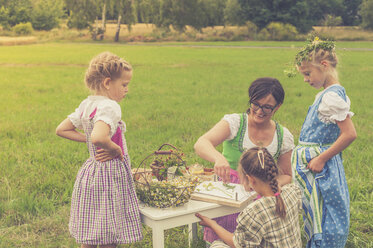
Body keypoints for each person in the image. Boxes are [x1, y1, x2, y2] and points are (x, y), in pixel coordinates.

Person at [56, 52, 143, 248]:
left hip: (92, 173)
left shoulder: (87, 105)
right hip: (109, 176)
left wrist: (90, 140)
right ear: (107, 83)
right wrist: (115, 149)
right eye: (124, 84)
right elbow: (98, 137)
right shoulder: (110, 107)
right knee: (108, 233)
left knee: (92, 230)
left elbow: (62, 129)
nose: (127, 89)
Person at [194, 77, 294, 245]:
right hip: (229, 194)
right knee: (225, 239)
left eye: (267, 107)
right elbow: (201, 143)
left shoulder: (283, 136)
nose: (259, 111)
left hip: (260, 201)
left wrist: (265, 186)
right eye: (255, 104)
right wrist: (218, 158)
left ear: (278, 107)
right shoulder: (235, 123)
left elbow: (287, 175)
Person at [291, 37, 357, 248]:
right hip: (317, 165)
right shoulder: (327, 94)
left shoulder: (331, 97)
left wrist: (320, 159)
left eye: (307, 73)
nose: (305, 79)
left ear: (324, 66)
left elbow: (349, 134)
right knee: (316, 208)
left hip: (321, 168)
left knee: (325, 209)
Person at [196, 147, 302, 248]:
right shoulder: (293, 191)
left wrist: (212, 224)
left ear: (250, 179)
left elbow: (237, 244)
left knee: (218, 244)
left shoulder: (254, 211)